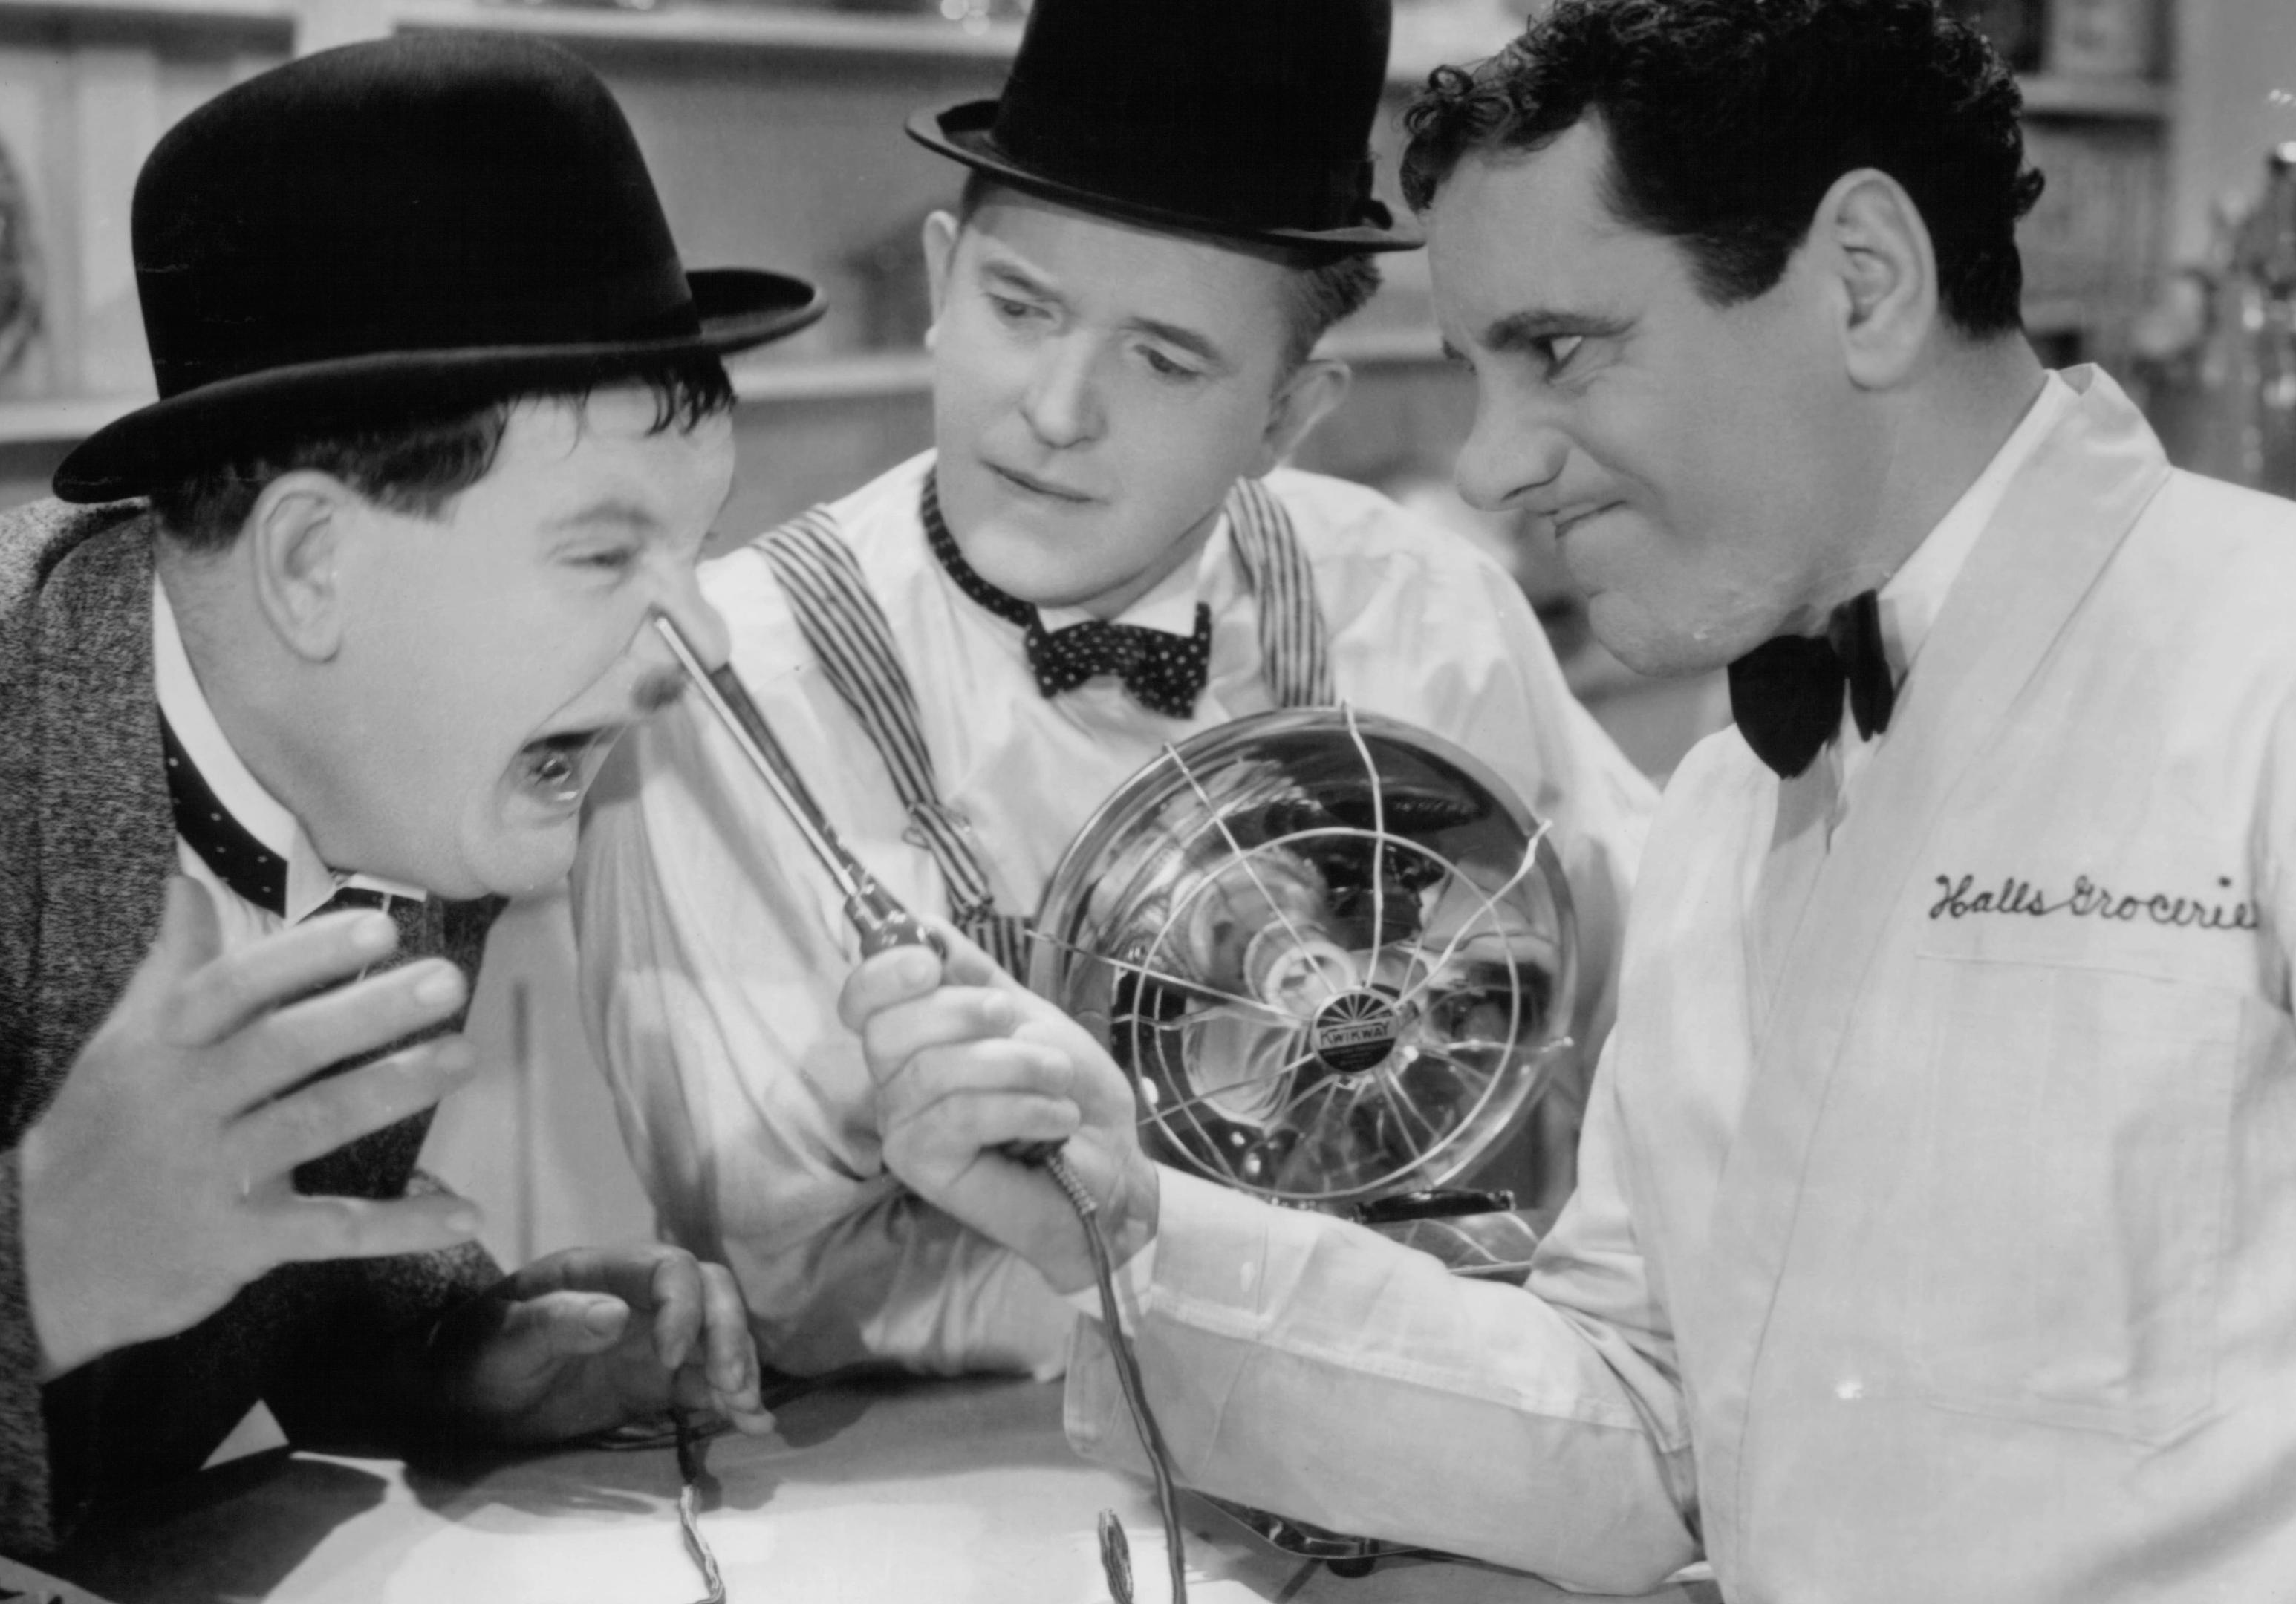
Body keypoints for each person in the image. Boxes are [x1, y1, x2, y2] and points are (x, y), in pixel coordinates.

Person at [840, 0, 2296, 1596]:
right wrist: (1133, 1237)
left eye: (1560, 350)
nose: (1491, 465)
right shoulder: (1725, 808)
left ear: (1863, 281)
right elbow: (1645, 1431)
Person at [0, 36, 820, 1554]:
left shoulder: (401, 747)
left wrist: (449, 1345)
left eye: (696, 543)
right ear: (312, 566)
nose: (703, 638)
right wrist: (32, 1260)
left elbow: (203, 1223)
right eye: (605, 556)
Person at [548, 0, 1658, 1380]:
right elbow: (788, 1283)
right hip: (954, 1495)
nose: (1057, 408)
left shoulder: (1426, 611)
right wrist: (1282, 1314)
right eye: (1021, 309)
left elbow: (1646, 1023)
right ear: (944, 283)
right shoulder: (732, 692)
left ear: (1287, 415)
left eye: (1163, 358)